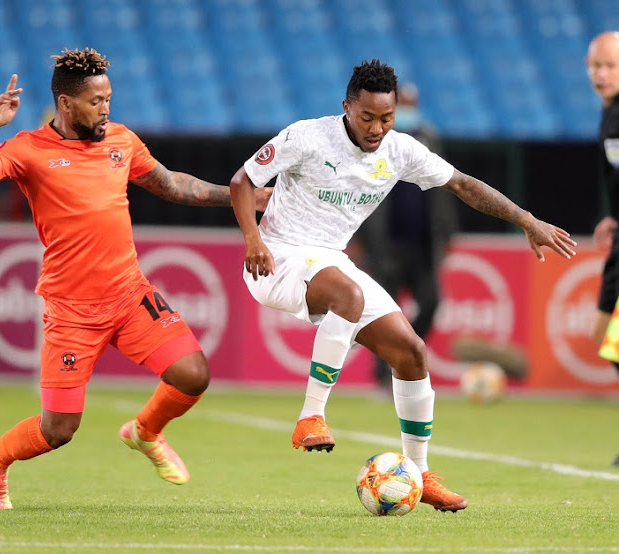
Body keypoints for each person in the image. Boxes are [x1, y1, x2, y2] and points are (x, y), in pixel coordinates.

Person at [229, 59, 576, 512]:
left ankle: (419, 474)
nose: (377, 128)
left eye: (386, 118)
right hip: (277, 258)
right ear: (347, 107)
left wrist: (525, 219)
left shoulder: (401, 149)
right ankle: (311, 415)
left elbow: (465, 186)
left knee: (411, 352)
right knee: (349, 294)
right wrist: (253, 240)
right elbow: (242, 181)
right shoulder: (307, 136)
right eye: (367, 117)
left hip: (329, 261)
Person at [0, 47, 270, 510]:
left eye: (108, 98)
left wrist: (245, 198)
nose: (106, 109)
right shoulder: (29, 150)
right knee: (58, 430)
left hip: (128, 293)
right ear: (66, 104)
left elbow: (173, 185)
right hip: (72, 309)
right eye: (96, 101)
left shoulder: (121, 140)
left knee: (192, 374)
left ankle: (145, 431)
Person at [352, 82, 457, 392]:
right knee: (383, 313)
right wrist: (359, 236)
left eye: (413, 103)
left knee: (431, 302)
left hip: (422, 245)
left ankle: (405, 356)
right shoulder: (376, 141)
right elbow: (356, 189)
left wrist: (446, 233)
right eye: (404, 104)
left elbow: (445, 188)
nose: (409, 110)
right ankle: (384, 377)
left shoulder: (429, 138)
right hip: (387, 245)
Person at [585, 30, 619, 466]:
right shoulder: (609, 114)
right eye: (595, 65)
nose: (601, 74)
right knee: (606, 337)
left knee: (607, 335)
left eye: (610, 65)